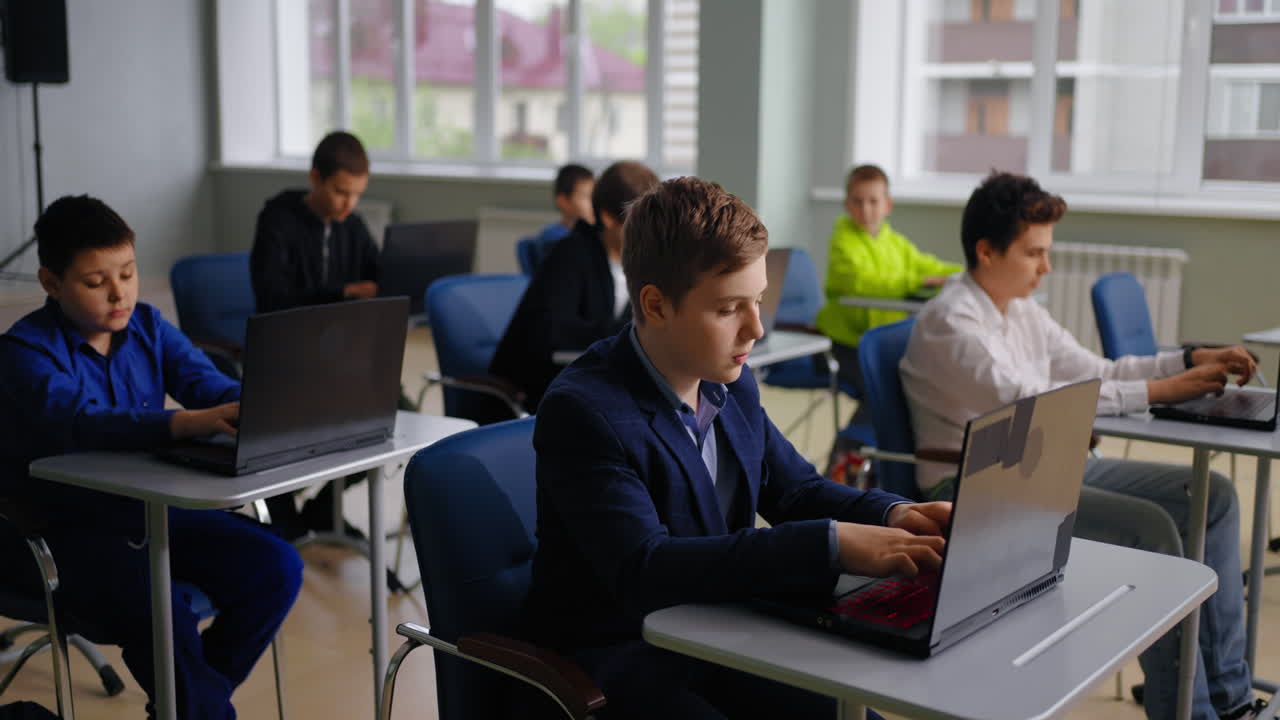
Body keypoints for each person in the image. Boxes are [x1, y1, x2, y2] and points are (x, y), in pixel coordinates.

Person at [524, 176, 953, 719]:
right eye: (729, 309)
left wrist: (898, 514)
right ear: (655, 305)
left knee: (849, 715)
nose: (755, 329)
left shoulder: (729, 380)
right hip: (616, 658)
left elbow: (795, 490)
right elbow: (645, 570)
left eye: (758, 301)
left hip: (717, 630)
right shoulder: (584, 410)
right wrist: (829, 544)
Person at [899, 171, 1267, 720]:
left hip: (1042, 469)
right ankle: (1187, 713)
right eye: (1034, 253)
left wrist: (1187, 361)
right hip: (973, 488)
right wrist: (1164, 389)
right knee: (1156, 532)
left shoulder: (1019, 310)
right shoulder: (951, 324)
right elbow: (1037, 399)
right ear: (986, 251)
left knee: (1212, 496)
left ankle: (1232, 700)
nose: (1046, 267)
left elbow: (1098, 370)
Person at [0, 195, 302, 720]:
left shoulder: (147, 325)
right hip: (63, 530)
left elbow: (201, 380)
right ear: (51, 283)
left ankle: (188, 707)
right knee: (164, 611)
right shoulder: (23, 351)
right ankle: (197, 709)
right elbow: (81, 420)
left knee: (276, 567)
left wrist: (258, 402)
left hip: (150, 510)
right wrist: (183, 423)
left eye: (128, 273)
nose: (119, 294)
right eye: (96, 282)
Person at [249, 130, 378, 539]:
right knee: (314, 424)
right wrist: (340, 293)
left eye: (357, 194)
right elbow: (272, 297)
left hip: (337, 359)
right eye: (341, 192)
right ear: (315, 178)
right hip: (289, 356)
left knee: (395, 413)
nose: (349, 203)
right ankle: (283, 512)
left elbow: (380, 274)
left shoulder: (352, 226)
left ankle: (326, 507)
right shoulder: (277, 221)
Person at [490, 160, 659, 415]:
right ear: (608, 217)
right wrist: (638, 331)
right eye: (642, 222)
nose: (651, 232)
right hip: (544, 389)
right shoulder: (569, 254)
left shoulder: (645, 262)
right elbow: (554, 335)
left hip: (598, 382)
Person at [815, 164, 961, 427]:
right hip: (845, 344)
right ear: (847, 205)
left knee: (922, 381)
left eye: (873, 201)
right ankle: (848, 458)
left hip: (882, 340)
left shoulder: (895, 244)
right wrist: (916, 281)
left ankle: (880, 461)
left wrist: (967, 273)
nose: (866, 209)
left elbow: (929, 266)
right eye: (858, 201)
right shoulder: (842, 241)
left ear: (887, 205)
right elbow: (862, 282)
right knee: (883, 390)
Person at [533, 163, 596, 246]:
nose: (594, 202)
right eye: (586, 196)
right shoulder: (553, 238)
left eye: (595, 195)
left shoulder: (593, 233)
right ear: (563, 201)